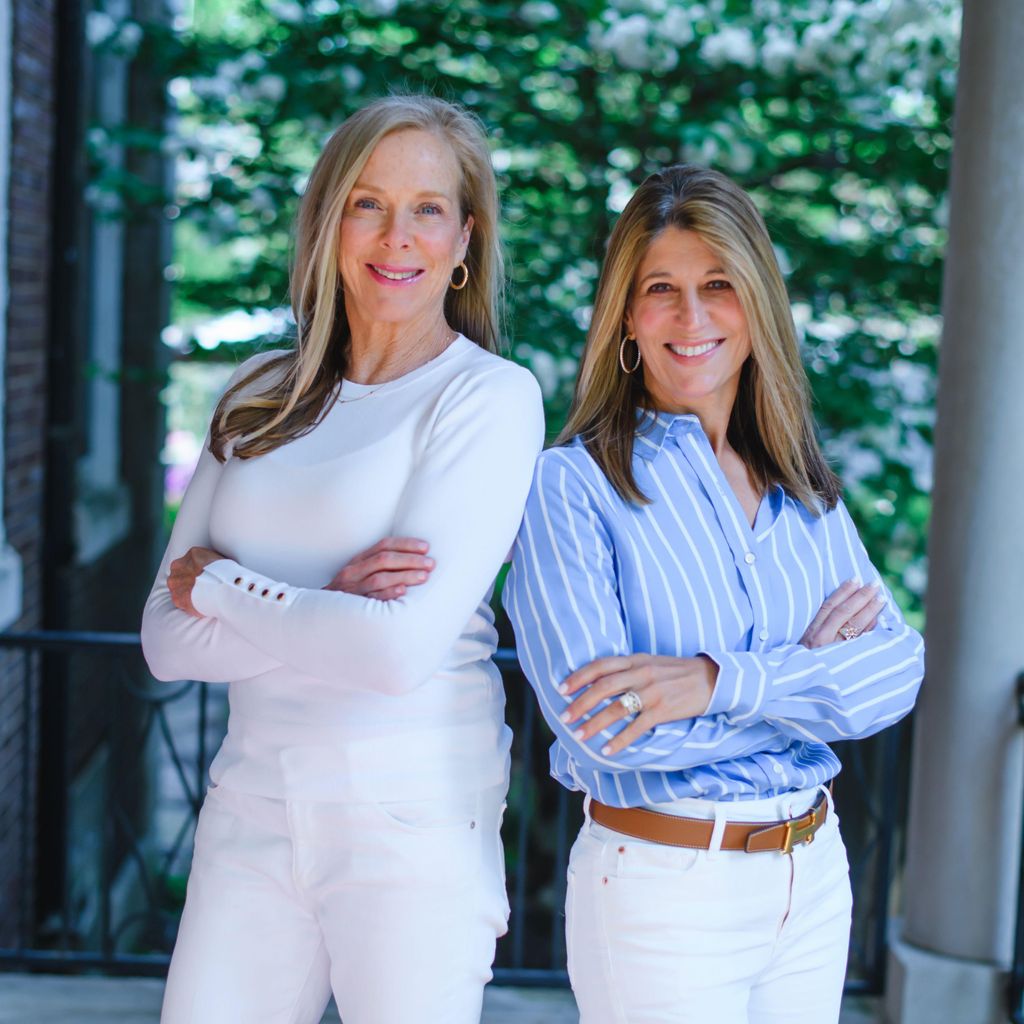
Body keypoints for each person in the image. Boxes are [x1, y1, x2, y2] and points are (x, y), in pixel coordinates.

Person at [141, 95, 544, 1024]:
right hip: (250, 803)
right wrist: (329, 599)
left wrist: (222, 585)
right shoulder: (257, 395)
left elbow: (392, 655)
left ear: (465, 239)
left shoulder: (486, 399)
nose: (396, 235)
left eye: (427, 208)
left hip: (409, 818)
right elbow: (166, 641)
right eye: (366, 202)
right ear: (328, 221)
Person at [504, 164, 924, 1024]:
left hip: (811, 875)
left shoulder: (804, 491)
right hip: (665, 890)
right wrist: (810, 679)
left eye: (719, 286)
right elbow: (608, 731)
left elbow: (898, 673)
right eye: (662, 288)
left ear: (758, 305)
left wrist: (715, 682)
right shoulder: (572, 487)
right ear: (626, 313)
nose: (692, 318)